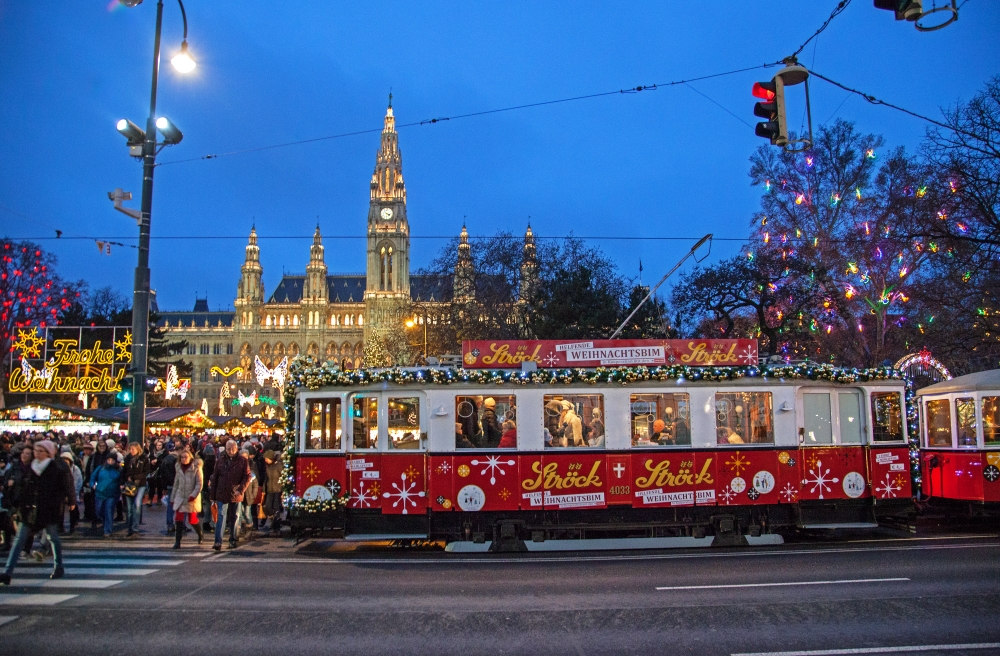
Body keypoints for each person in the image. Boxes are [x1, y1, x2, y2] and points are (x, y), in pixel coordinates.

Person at [1, 440, 76, 585]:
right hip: (29, 510)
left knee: (53, 537)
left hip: (48, 509)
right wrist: (17, 505)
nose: (38, 454)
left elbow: (66, 485)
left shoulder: (56, 468)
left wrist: (70, 501)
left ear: (49, 453)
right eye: (36, 451)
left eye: (41, 451)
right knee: (19, 541)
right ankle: (7, 573)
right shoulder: (31, 467)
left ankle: (58, 566)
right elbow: (23, 488)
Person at [210, 440, 251, 551]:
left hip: (235, 494)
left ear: (237, 448)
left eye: (233, 448)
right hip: (222, 493)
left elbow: (247, 477)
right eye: (228, 449)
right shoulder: (220, 461)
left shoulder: (242, 461)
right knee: (221, 518)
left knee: (235, 517)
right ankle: (218, 542)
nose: (231, 451)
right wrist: (212, 496)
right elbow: (215, 478)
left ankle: (233, 539)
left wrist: (241, 489)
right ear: (225, 449)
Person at [171, 449, 204, 548]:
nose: (184, 459)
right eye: (182, 457)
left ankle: (200, 533)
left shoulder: (196, 468)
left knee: (192, 519)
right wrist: (173, 498)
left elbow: (199, 483)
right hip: (180, 495)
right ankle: (177, 542)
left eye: (186, 457)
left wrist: (193, 495)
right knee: (178, 518)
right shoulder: (178, 467)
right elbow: (176, 483)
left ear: (190, 458)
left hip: (191, 496)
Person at [122, 442, 151, 538]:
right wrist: (126, 478)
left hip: (140, 484)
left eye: (133, 449)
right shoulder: (127, 459)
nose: (131, 451)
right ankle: (130, 528)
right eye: (130, 449)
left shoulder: (144, 459)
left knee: (137, 504)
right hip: (129, 485)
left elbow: (146, 471)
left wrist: (135, 477)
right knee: (129, 508)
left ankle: (135, 528)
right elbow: (124, 471)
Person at [90, 451, 122, 537]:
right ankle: (105, 523)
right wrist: (92, 484)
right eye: (109, 460)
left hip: (112, 494)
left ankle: (107, 530)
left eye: (112, 460)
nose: (110, 462)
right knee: (99, 511)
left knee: (108, 511)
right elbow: (93, 476)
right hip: (100, 492)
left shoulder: (118, 469)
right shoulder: (101, 468)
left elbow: (121, 480)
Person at [59, 452, 83, 534]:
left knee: (73, 510)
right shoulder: (59, 469)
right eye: (63, 459)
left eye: (67, 460)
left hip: (72, 492)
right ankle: (60, 527)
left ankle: (72, 527)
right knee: (60, 512)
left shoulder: (75, 469)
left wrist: (74, 492)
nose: (65, 461)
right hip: (61, 493)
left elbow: (78, 481)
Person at [261, 450, 283, 536]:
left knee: (276, 508)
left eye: (267, 459)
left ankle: (276, 527)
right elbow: (266, 479)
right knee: (268, 507)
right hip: (270, 489)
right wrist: (264, 490)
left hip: (278, 489)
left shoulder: (279, 466)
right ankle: (272, 520)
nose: (265, 460)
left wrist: (283, 491)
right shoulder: (267, 466)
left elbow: (283, 478)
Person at [158, 446, 178, 534]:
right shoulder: (177, 460)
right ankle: (181, 524)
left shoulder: (165, 459)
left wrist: (164, 487)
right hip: (177, 485)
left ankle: (170, 523)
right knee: (180, 505)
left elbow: (162, 474)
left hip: (169, 485)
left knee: (170, 504)